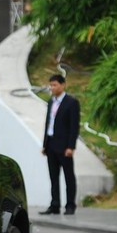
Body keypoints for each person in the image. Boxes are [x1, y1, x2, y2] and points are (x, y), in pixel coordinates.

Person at [41, 73, 80, 215]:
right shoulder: (51, 102)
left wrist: (71, 146)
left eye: (55, 85)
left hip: (64, 146)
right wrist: (45, 144)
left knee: (69, 176)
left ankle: (70, 205)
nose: (52, 87)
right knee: (53, 177)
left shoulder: (71, 102)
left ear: (63, 85)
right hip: (51, 144)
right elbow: (48, 124)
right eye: (50, 85)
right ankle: (55, 205)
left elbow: (74, 127)